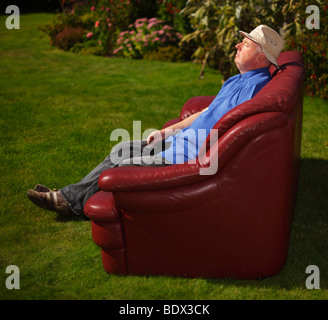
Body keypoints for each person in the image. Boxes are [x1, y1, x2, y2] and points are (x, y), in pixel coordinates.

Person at [27, 25, 284, 219]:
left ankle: (66, 201)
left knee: (120, 162)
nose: (238, 46)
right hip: (177, 142)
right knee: (121, 149)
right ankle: (69, 198)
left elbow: (233, 132)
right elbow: (208, 110)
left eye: (246, 44)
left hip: (186, 157)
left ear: (262, 57)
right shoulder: (236, 81)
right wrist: (169, 131)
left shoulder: (256, 89)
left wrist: (197, 158)